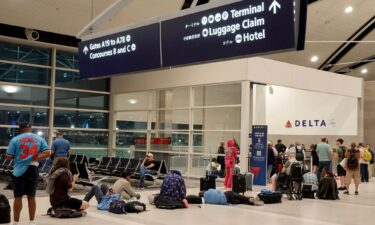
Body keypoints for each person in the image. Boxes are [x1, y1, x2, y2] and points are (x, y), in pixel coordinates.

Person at [6, 122, 51, 225]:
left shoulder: (15, 139)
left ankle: (16, 222)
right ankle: (32, 221)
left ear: (20, 129)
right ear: (30, 128)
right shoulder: (39, 139)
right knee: (31, 196)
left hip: (18, 171)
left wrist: (17, 157)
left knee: (18, 197)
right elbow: (48, 153)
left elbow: (9, 156)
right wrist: (35, 157)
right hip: (33, 169)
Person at [198, 189, 263, 206]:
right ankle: (249, 198)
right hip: (226, 195)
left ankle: (252, 203)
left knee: (241, 202)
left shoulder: (206, 201)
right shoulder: (208, 191)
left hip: (227, 202)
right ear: (203, 192)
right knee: (239, 196)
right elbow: (218, 191)